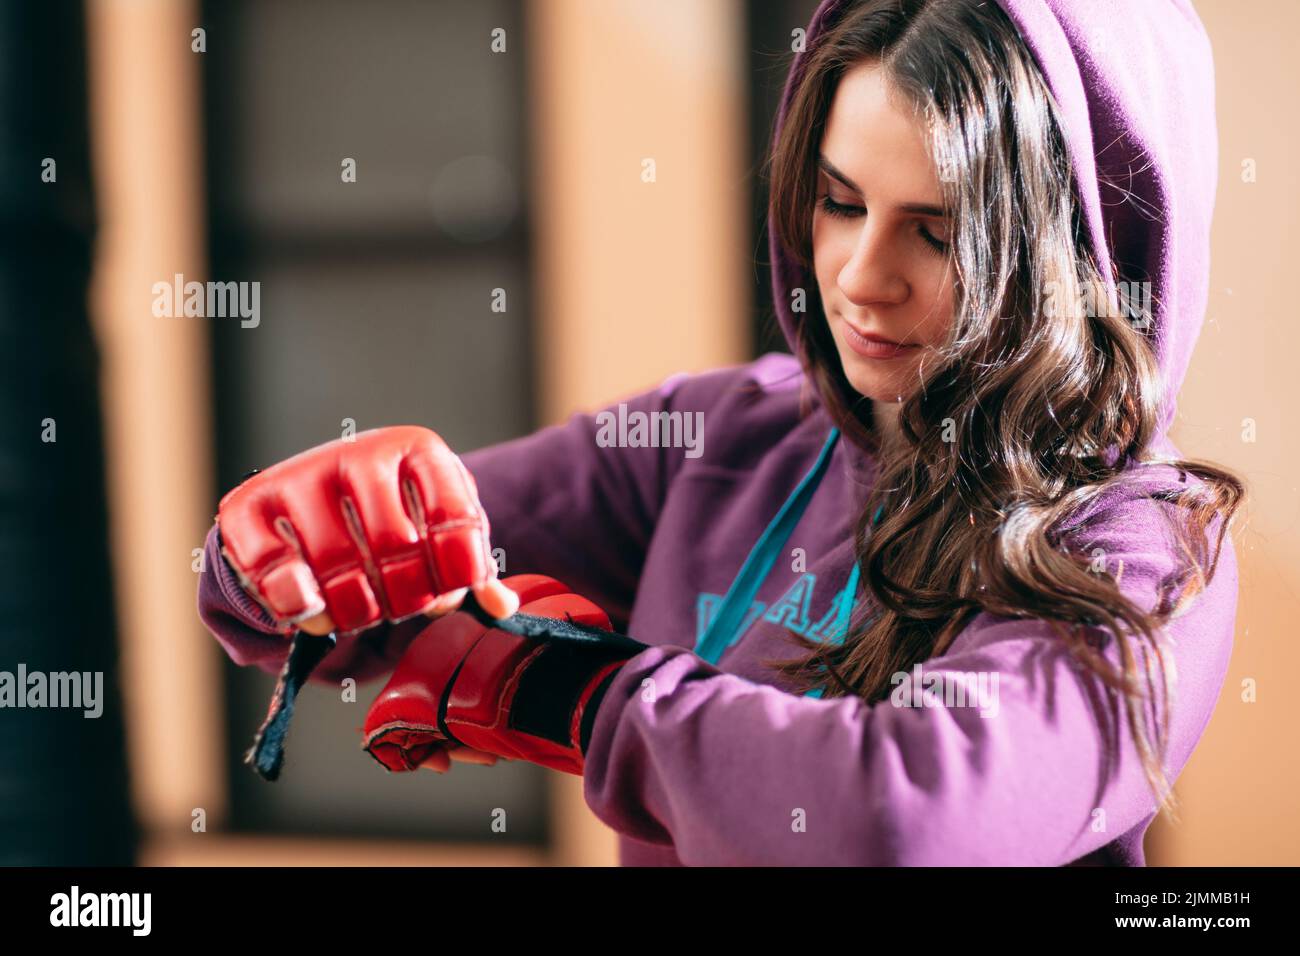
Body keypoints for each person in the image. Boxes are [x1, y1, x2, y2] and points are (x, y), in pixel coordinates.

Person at [197, 0, 1244, 866]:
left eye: (937, 232)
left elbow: (905, 821)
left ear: (1076, 252)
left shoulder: (1145, 551)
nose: (862, 278)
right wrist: (270, 552)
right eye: (839, 203)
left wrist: (577, 694)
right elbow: (345, 606)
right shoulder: (720, 438)